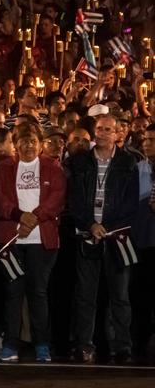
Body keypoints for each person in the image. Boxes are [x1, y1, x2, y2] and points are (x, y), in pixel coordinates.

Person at [0, 122, 66, 363]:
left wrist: (34, 217)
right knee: (13, 292)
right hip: (11, 241)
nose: (29, 145)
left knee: (38, 292)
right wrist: (18, 215)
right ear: (15, 144)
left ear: (40, 143)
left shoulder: (52, 167)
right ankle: (10, 344)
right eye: (23, 141)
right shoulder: (4, 167)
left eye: (33, 140)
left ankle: (42, 344)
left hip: (41, 241)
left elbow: (58, 197)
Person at [68, 113, 139, 364]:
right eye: (99, 128)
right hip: (87, 236)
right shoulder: (80, 162)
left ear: (118, 133)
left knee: (119, 295)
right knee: (86, 295)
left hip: (116, 237)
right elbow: (73, 200)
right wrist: (90, 224)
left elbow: (131, 204)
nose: (103, 133)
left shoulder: (128, 163)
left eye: (109, 129)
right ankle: (84, 344)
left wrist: (106, 226)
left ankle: (122, 345)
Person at [133, 123, 155, 360]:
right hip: (142, 241)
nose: (147, 144)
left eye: (152, 140)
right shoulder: (137, 169)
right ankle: (140, 344)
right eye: (146, 139)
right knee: (141, 295)